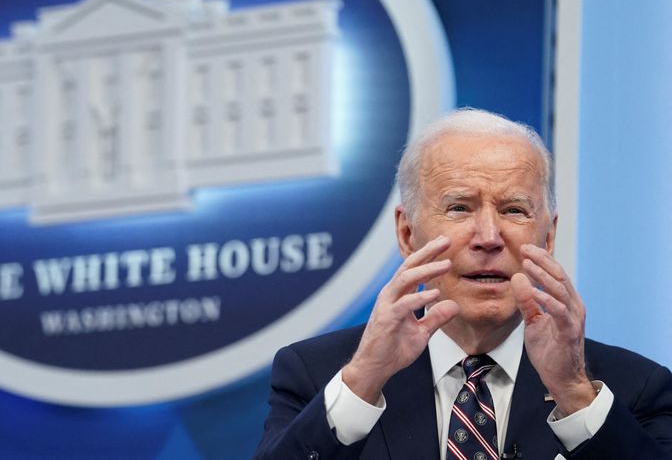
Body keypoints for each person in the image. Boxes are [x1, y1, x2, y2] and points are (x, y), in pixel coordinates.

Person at [254, 108, 672, 459]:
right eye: (459, 208)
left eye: (513, 210)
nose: (489, 237)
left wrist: (574, 393)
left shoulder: (634, 388)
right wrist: (363, 381)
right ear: (406, 234)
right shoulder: (317, 375)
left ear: (547, 237)